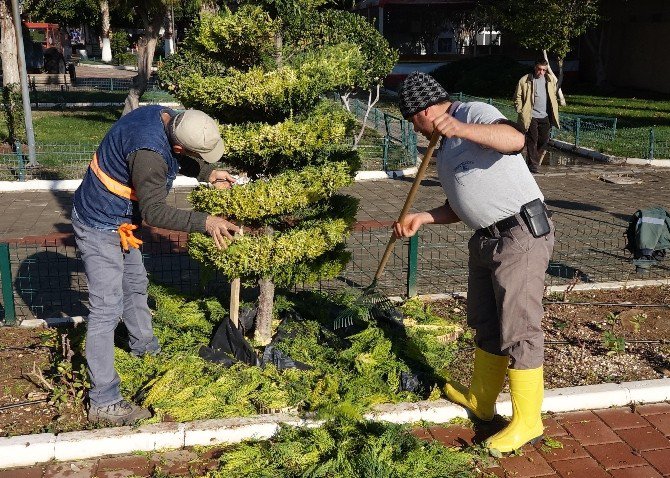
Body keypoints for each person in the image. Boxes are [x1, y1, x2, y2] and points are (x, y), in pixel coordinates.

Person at [395, 72, 555, 453]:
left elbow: (515, 140)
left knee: (519, 328)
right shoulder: (444, 143)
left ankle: (528, 420)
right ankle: (482, 402)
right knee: (485, 321)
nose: (415, 130)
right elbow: (462, 202)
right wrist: (424, 217)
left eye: (412, 120)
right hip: (485, 239)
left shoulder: (474, 113)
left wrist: (462, 127)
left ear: (426, 109)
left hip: (520, 234)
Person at [72, 106, 240, 425]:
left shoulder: (167, 117)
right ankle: (104, 401)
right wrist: (205, 221)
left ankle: (145, 349)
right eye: (194, 155)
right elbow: (155, 213)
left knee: (135, 286)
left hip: (121, 222)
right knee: (107, 308)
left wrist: (208, 173)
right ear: (178, 146)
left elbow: (178, 153)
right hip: (99, 223)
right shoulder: (149, 154)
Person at [514, 58, 560, 173]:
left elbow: (552, 95)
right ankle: (534, 165)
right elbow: (517, 97)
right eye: (539, 69)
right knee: (532, 140)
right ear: (535, 67)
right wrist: (520, 110)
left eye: (544, 70)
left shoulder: (550, 80)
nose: (541, 72)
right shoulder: (525, 80)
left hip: (545, 115)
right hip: (531, 116)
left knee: (543, 140)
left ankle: (531, 161)